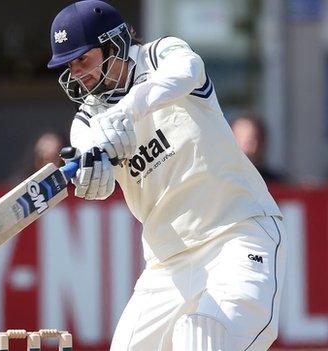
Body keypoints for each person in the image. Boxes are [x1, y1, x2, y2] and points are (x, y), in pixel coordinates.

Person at [47, 1, 286, 350]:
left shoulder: (160, 55)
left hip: (237, 235)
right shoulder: (86, 121)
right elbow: (94, 167)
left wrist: (129, 109)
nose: (77, 72)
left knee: (203, 338)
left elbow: (187, 70)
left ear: (114, 44)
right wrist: (93, 170)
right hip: (166, 266)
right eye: (69, 65)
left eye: (83, 59)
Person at [231, 113, 285, 183]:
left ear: (263, 143)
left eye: (250, 141)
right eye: (240, 139)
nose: (245, 148)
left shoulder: (277, 183)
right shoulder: (220, 181)